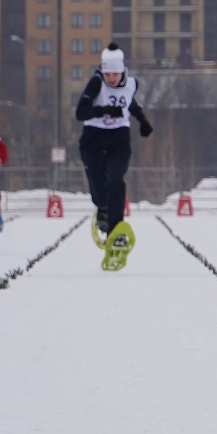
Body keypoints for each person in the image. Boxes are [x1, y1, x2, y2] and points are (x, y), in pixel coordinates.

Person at [76, 44, 153, 268]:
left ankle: (115, 231)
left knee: (115, 181)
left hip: (118, 141)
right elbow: (81, 112)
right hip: (93, 141)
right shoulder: (96, 83)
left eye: (115, 74)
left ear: (123, 71)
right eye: (107, 73)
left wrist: (143, 121)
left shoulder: (131, 84)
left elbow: (130, 104)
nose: (111, 78)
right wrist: (105, 111)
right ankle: (102, 210)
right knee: (100, 193)